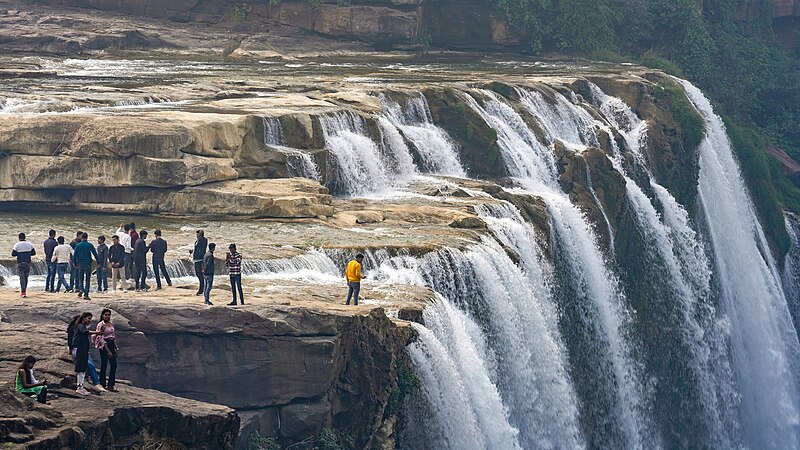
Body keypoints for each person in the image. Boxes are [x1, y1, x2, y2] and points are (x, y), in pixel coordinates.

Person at [67, 314, 101, 390]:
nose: (90, 320)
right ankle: (80, 387)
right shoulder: (80, 326)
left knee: (82, 368)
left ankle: (81, 385)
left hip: (82, 349)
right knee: (81, 369)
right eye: (89, 318)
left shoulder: (80, 326)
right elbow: (85, 332)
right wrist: (97, 332)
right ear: (84, 318)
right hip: (80, 350)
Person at [94, 309, 119, 392]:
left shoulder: (110, 324)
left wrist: (115, 347)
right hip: (104, 345)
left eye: (109, 315)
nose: (107, 316)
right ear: (102, 315)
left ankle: (111, 384)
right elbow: (100, 337)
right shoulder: (101, 325)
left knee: (114, 365)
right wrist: (108, 350)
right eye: (106, 315)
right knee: (104, 364)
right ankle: (103, 383)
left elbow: (113, 335)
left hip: (111, 344)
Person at [73, 232, 98, 300]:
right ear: (87, 237)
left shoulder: (78, 245)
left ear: (82, 238)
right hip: (88, 264)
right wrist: (98, 262)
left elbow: (74, 255)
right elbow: (95, 254)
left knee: (80, 278)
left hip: (80, 264)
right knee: (87, 279)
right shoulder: (90, 245)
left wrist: (74, 263)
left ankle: (81, 289)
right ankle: (86, 294)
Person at [11, 233, 36, 298]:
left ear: (19, 238)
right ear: (25, 237)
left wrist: (19, 253)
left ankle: (23, 292)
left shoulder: (17, 245)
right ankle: (24, 291)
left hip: (20, 263)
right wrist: (27, 253)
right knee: (26, 277)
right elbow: (34, 253)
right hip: (28, 263)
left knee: (21, 277)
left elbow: (13, 254)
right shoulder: (29, 244)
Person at [191, 230, 208, 296]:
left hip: (200, 260)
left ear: (200, 235)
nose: (196, 236)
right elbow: (197, 248)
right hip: (196, 260)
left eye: (198, 234)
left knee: (200, 275)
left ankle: (201, 290)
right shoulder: (197, 241)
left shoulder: (203, 240)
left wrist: (199, 238)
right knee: (199, 275)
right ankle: (202, 289)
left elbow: (202, 247)